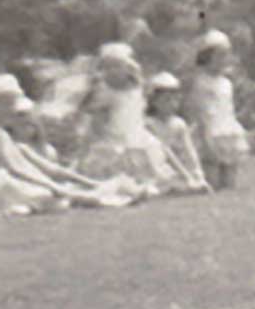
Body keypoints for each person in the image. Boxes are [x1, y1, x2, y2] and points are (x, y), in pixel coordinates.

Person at [0, 75, 142, 219]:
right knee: (56, 198)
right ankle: (110, 195)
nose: (11, 111)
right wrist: (56, 188)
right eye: (8, 105)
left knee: (53, 194)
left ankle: (106, 192)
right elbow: (16, 169)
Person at [74, 42, 182, 198]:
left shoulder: (136, 89)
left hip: (137, 136)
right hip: (115, 139)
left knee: (146, 156)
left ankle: (148, 184)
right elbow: (96, 122)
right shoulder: (104, 93)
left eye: (117, 66)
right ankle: (127, 187)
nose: (112, 71)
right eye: (107, 67)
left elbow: (137, 110)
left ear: (128, 68)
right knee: (120, 162)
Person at [186, 30, 248, 191]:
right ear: (206, 57)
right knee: (212, 179)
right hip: (210, 130)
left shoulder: (226, 83)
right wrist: (205, 137)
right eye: (218, 56)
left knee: (230, 181)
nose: (223, 61)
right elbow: (200, 111)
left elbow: (228, 108)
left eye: (225, 56)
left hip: (228, 129)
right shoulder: (201, 82)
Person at [143, 73, 212, 195]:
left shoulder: (179, 123)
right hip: (158, 164)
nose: (171, 104)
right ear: (153, 102)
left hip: (179, 164)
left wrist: (197, 171)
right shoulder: (149, 124)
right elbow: (166, 151)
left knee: (193, 181)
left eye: (175, 99)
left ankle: (188, 185)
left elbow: (189, 149)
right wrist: (186, 175)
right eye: (166, 100)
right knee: (161, 181)